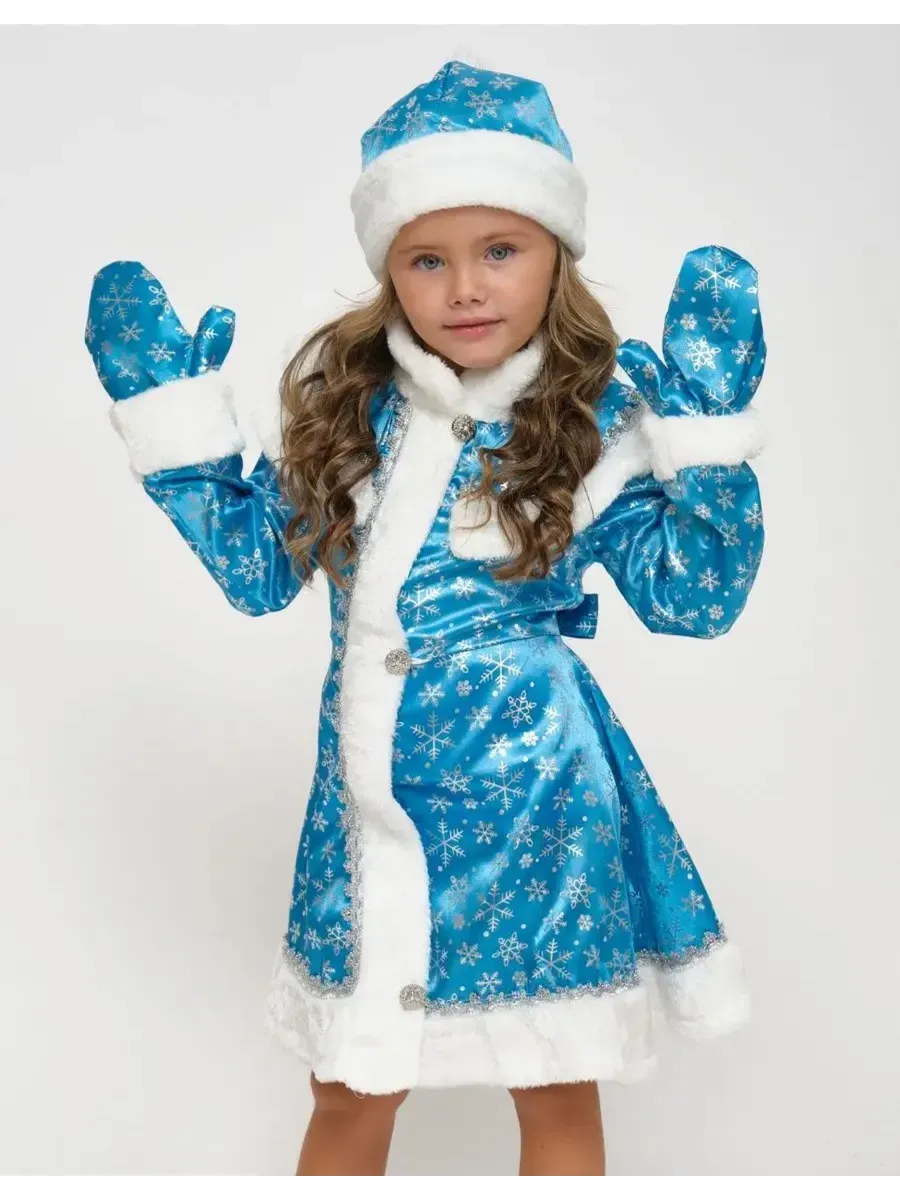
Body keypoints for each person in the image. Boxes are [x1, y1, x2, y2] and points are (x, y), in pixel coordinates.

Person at [84, 59, 767, 1177]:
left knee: (553, 1079)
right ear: (389, 269)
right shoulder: (351, 412)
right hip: (369, 804)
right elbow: (261, 573)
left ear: (556, 251)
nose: (465, 288)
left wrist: (708, 446)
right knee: (350, 1081)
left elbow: (693, 598)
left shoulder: (591, 419)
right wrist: (182, 438)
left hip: (538, 804)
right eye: (428, 259)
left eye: (501, 250)